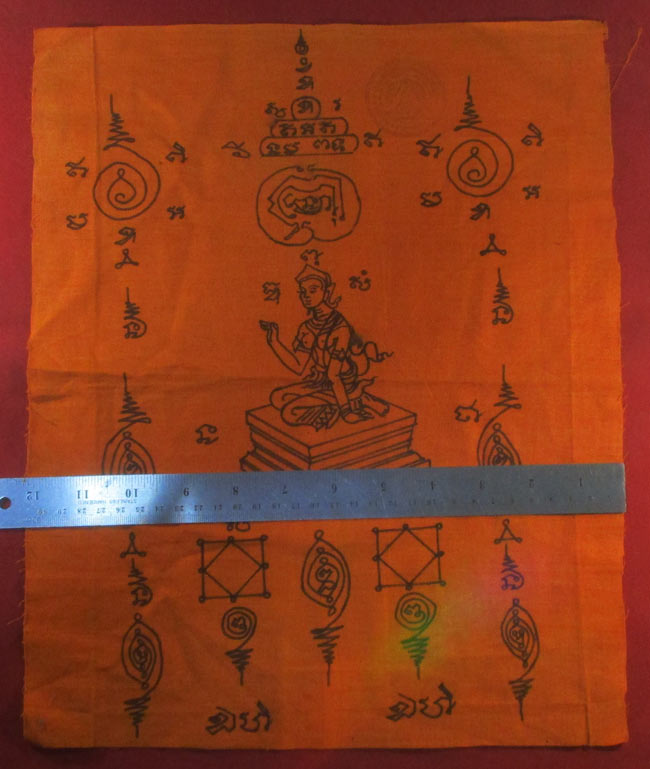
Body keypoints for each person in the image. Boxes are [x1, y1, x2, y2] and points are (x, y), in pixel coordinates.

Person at [260, 264, 391, 430]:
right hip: (321, 382)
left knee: (289, 413)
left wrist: (346, 413)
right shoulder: (306, 328)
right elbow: (298, 367)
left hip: (343, 383)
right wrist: (274, 341)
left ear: (327, 292)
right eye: (303, 292)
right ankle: (355, 400)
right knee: (278, 398)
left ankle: (350, 401)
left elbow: (333, 375)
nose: (307, 296)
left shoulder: (340, 328)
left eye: (313, 290)